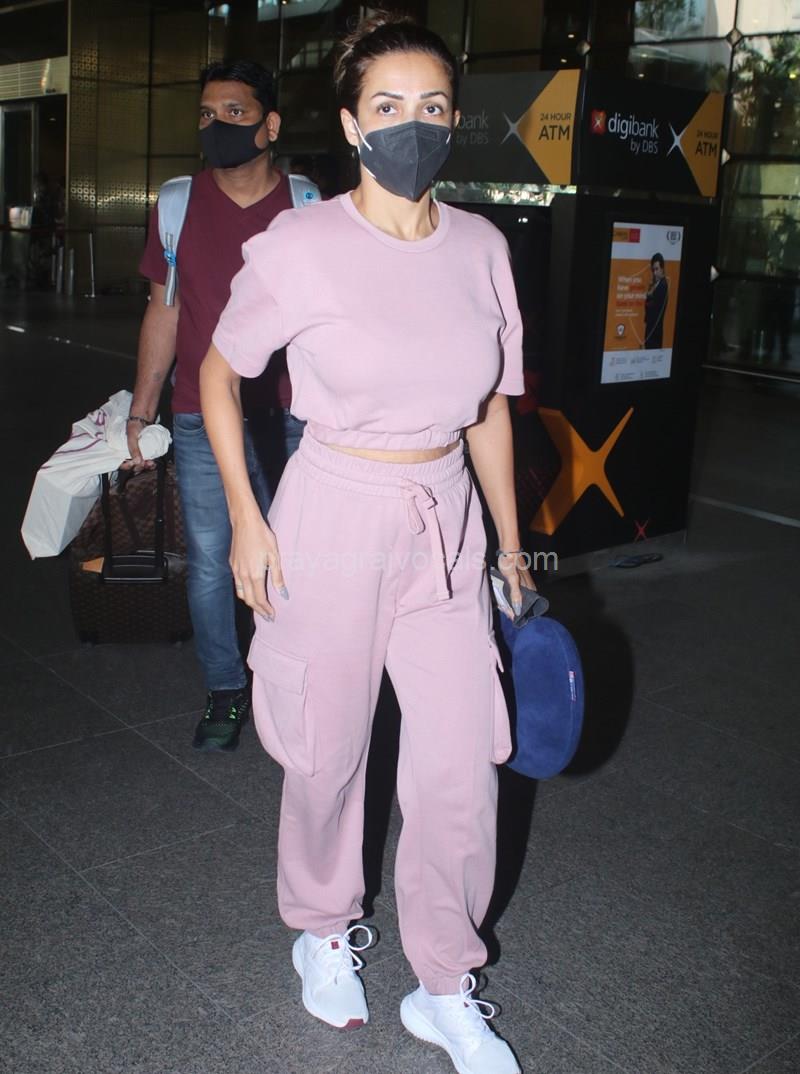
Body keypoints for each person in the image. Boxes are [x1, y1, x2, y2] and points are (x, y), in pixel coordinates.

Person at [200, 14, 529, 1074]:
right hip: (332, 508)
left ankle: (444, 983)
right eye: (387, 106)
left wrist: (510, 547)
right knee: (327, 751)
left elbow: (488, 407)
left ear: (454, 120)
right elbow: (220, 372)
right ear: (350, 125)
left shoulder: (482, 249)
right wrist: (247, 517)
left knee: (461, 767)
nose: (410, 125)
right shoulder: (302, 246)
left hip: (447, 522)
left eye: (431, 107)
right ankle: (321, 925)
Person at [127, 60, 305, 752]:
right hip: (200, 412)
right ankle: (227, 687)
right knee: (210, 560)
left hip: (291, 415)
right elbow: (164, 312)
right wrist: (141, 413)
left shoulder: (308, 207)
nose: (217, 125)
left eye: (235, 112)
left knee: (296, 554)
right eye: (207, 114)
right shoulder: (178, 205)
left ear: (270, 124)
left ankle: (292, 679)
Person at [644, 252, 668, 349]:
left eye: (657, 269)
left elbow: (654, 307)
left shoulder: (663, 285)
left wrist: (649, 295)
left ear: (662, 269)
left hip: (655, 331)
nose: (654, 273)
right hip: (650, 329)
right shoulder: (655, 284)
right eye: (653, 270)